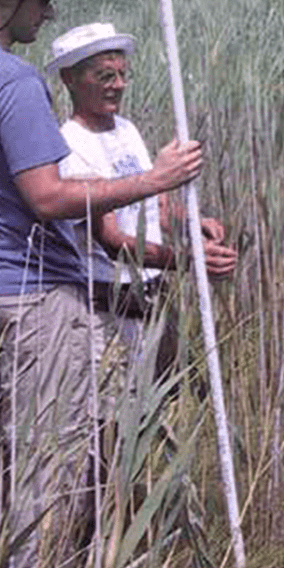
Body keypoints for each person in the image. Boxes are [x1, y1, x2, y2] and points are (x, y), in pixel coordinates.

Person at [0, 0, 203, 568]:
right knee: (47, 474)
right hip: (33, 299)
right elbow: (48, 196)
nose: (48, 12)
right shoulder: (12, 80)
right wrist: (157, 180)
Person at [48, 22, 236, 378]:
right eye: (105, 76)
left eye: (122, 75)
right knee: (117, 415)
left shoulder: (125, 129)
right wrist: (189, 261)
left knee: (163, 404)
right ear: (70, 79)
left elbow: (155, 202)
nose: (118, 85)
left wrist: (192, 223)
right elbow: (111, 242)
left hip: (152, 293)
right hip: (109, 305)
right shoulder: (70, 146)